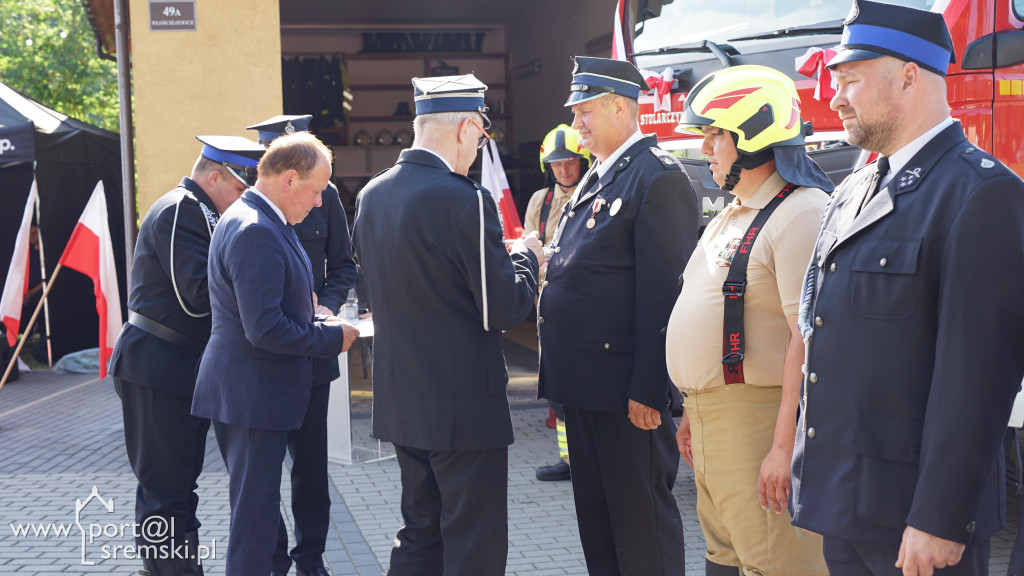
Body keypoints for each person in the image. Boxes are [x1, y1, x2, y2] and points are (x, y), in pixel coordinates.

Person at [790, 1, 1024, 574]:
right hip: (846, 504)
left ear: (909, 76)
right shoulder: (855, 186)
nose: (835, 95)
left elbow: (977, 379)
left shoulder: (980, 193)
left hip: (915, 520)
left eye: (849, 79)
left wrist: (940, 518)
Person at [352, 73, 544, 576]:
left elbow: (372, 295)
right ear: (465, 128)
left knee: (419, 535)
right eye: (482, 137)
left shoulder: (371, 195)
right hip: (462, 408)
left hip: (400, 401)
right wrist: (526, 261)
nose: (480, 149)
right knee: (472, 546)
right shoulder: (464, 198)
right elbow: (502, 309)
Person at [668, 65, 833, 576]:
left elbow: (806, 340)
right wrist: (694, 413)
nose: (705, 149)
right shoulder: (733, 211)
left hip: (757, 424)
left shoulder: (801, 212)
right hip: (715, 423)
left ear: (754, 134)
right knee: (728, 558)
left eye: (716, 135)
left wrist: (784, 449)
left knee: (776, 562)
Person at [537, 56, 698, 576]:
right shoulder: (596, 178)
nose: (575, 123)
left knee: (641, 528)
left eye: (584, 112)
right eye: (575, 112)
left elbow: (663, 294)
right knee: (599, 523)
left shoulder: (657, 177)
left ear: (622, 109)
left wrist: (649, 388)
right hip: (585, 385)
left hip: (627, 392)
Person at [190, 132, 359, 576]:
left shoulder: (261, 219)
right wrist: (330, 338)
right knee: (255, 522)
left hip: (254, 392)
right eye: (318, 190)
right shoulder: (255, 230)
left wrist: (318, 322)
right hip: (250, 394)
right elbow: (264, 329)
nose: (321, 202)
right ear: (288, 179)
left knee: (260, 518)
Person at [109, 134, 265, 576]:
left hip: (176, 367)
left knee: (178, 489)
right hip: (157, 366)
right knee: (165, 491)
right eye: (239, 188)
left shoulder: (202, 210)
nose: (243, 198)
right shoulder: (181, 209)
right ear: (214, 176)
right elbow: (197, 297)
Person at [247, 114, 358, 576]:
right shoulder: (257, 210)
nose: (310, 199)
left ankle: (310, 559)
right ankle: (274, 560)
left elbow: (344, 266)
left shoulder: (324, 196)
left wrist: (328, 309)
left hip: (313, 353)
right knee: (262, 475)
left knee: (311, 470)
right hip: (269, 358)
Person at [523, 123, 591, 482]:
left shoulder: (597, 192)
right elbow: (528, 249)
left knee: (588, 385)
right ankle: (570, 460)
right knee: (557, 389)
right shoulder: (541, 201)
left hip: (586, 306)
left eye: (570, 162)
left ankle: (590, 457)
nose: (564, 170)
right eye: (556, 164)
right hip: (548, 308)